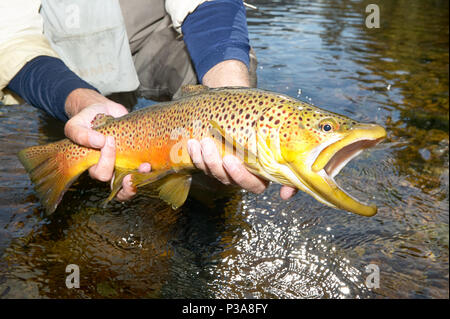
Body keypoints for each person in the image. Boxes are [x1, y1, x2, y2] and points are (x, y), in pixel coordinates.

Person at [0, 0, 297, 203]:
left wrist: (232, 100)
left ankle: (207, 200)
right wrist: (77, 100)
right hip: (65, 59)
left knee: (234, 82)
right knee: (86, 159)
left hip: (161, 33)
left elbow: (207, 4)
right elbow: (12, 40)